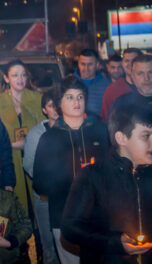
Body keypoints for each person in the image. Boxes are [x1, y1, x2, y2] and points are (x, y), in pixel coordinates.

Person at [32, 76, 110, 264]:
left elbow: (112, 168)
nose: (77, 102)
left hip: (99, 214)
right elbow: (40, 183)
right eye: (70, 97)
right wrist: (70, 178)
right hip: (64, 214)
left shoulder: (99, 129)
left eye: (80, 97)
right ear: (59, 103)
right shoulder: (50, 138)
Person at [61, 104, 152, 263]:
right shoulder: (93, 176)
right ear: (121, 138)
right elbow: (71, 227)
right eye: (146, 136)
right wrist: (114, 242)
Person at [0, 60, 45, 211]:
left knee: (37, 205)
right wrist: (12, 145)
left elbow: (45, 128)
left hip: (35, 158)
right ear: (6, 78)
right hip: (9, 159)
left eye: (23, 75)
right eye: (15, 75)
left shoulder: (37, 98)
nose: (20, 79)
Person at [22, 91, 60, 264]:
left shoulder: (68, 129)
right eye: (51, 106)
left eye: (57, 105)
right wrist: (46, 182)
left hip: (65, 194)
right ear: (44, 110)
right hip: (44, 195)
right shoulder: (36, 133)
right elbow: (28, 164)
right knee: (48, 241)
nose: (55, 109)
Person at [100, 48, 142, 121]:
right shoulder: (112, 90)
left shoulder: (148, 86)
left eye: (134, 60)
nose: (130, 64)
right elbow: (105, 119)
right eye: (126, 61)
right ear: (122, 64)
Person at [73, 49, 110, 115]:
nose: (86, 68)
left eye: (90, 64)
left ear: (97, 65)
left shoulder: (106, 86)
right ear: (78, 64)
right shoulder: (70, 83)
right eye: (83, 64)